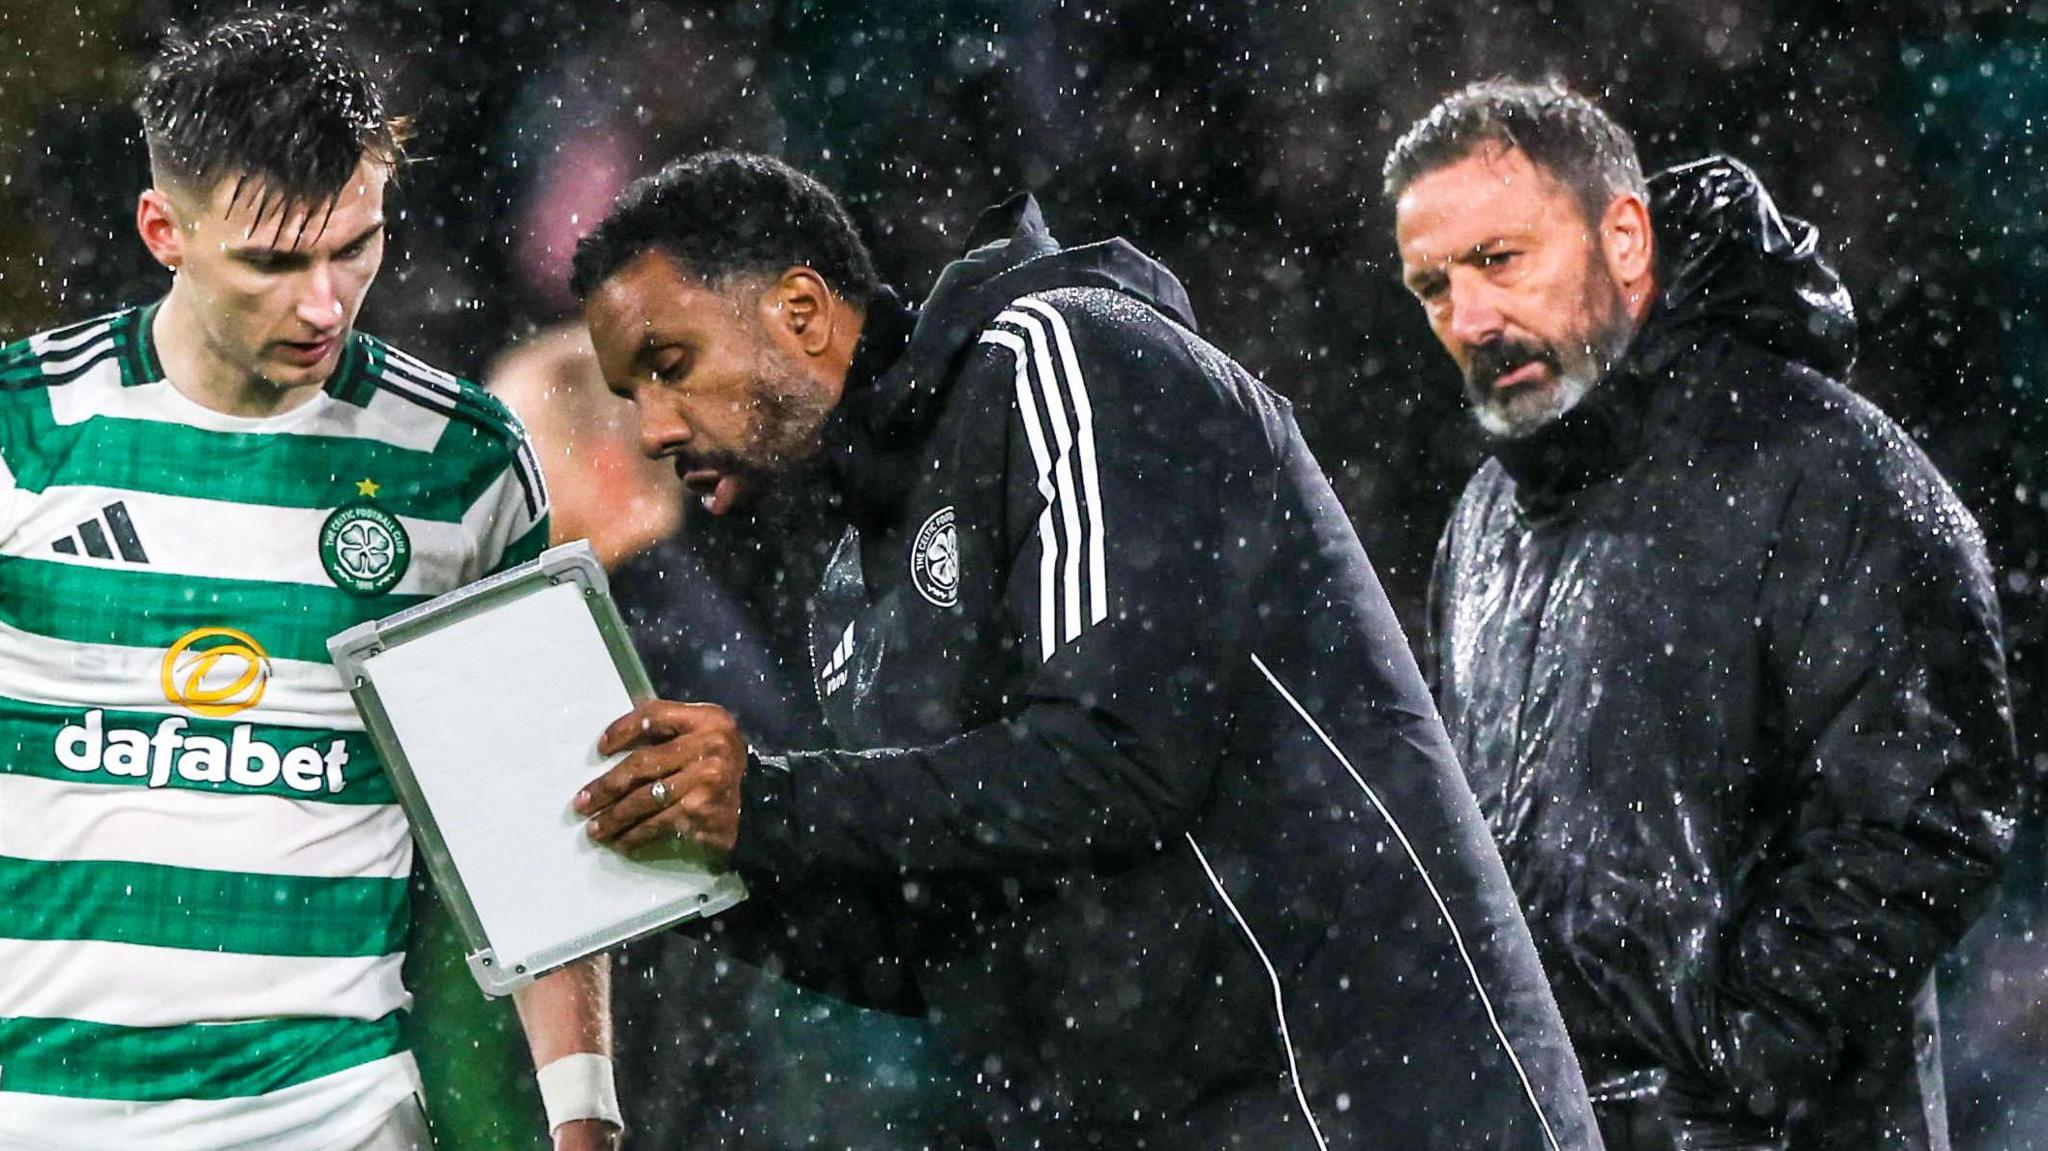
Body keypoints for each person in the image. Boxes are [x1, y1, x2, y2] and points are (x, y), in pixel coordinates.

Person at [566, 150, 1602, 1149]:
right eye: (628, 396)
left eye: (669, 364)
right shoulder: (850, 578)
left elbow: (1120, 755)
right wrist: (688, 864)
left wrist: (774, 798)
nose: (652, 427)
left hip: (1352, 1097)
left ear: (798, 309)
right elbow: (934, 943)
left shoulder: (1063, 353)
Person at [0, 15, 616, 1150]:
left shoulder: (459, 465)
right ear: (162, 229)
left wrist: (585, 1118)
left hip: (329, 1114)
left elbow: (539, 819)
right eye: (275, 262)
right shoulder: (20, 429)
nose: (325, 304)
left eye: (354, 247)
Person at [1387, 79, 2026, 1150]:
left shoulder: (1823, 462)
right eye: (1431, 286)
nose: (1470, 318)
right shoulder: (1482, 517)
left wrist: (1731, 1072)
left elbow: (1933, 808)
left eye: (1499, 259)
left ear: (1623, 238)